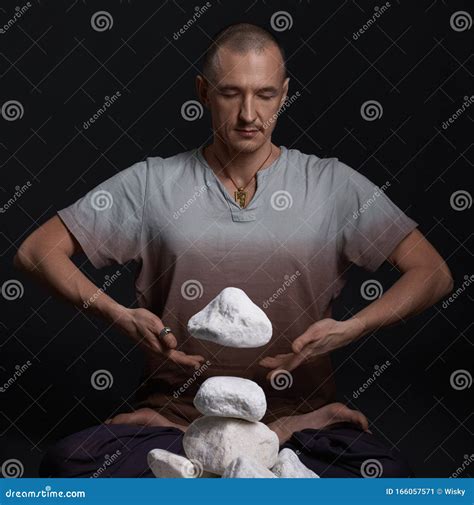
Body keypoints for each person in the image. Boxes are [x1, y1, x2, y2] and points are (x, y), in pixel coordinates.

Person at [14, 23, 453, 478]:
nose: (248, 114)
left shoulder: (331, 184)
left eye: (264, 94)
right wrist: (118, 315)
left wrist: (352, 327)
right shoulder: (152, 183)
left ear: (284, 94)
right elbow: (35, 251)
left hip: (300, 424)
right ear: (203, 92)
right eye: (230, 93)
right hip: (177, 423)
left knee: (387, 474)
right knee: (67, 466)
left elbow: (433, 273)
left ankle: (255, 459)